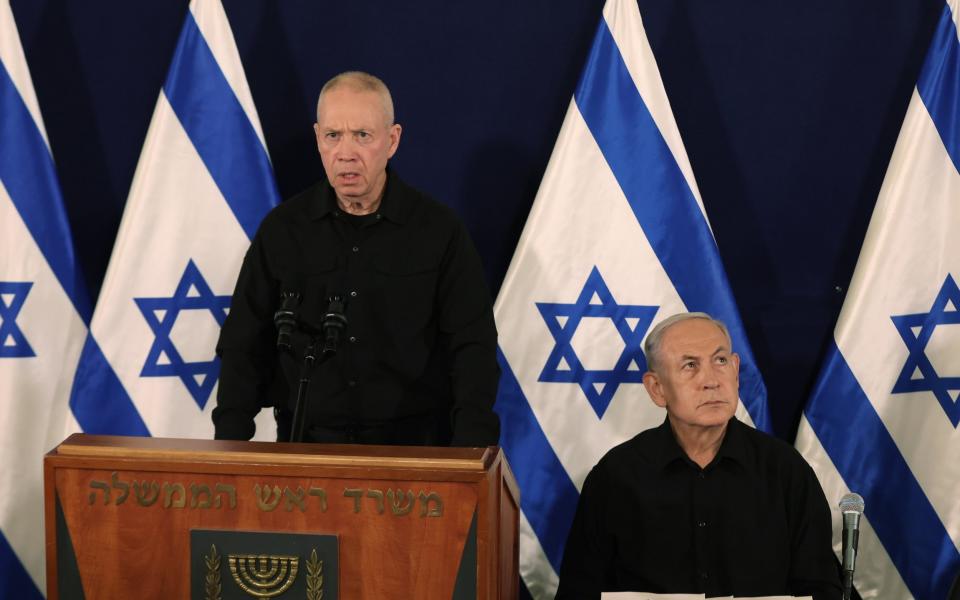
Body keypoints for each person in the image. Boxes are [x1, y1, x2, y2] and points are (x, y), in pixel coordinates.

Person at [212, 71, 500, 447]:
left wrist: (470, 460)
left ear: (392, 140)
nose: (346, 152)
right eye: (333, 136)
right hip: (307, 450)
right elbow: (243, 345)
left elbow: (473, 349)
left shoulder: (438, 231)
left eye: (362, 135)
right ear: (318, 139)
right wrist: (228, 452)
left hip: (414, 453)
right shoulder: (284, 230)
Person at [555, 312, 842, 599]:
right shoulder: (616, 477)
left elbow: (820, 587)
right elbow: (579, 592)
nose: (711, 381)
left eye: (720, 361)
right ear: (657, 388)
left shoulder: (785, 471)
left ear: (735, 369)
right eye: (690, 365)